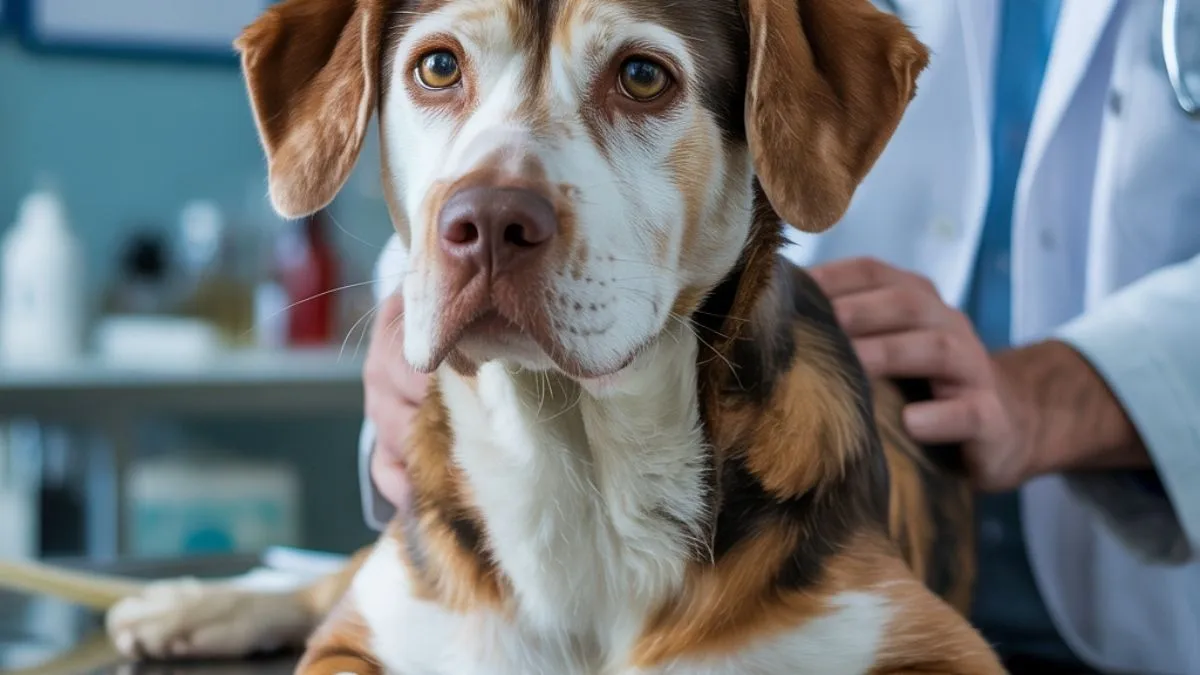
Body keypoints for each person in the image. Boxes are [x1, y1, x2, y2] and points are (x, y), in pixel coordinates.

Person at [359, 1, 1200, 672]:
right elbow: (504, 111)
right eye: (439, 67)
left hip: (1132, 600)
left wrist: (1071, 390)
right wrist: (416, 323)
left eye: (643, 77)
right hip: (606, 517)